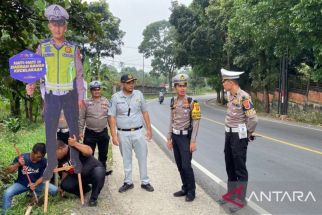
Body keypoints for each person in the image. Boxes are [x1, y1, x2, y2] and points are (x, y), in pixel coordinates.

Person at [26, 4, 85, 181]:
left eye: (61, 24)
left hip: (70, 94)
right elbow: (35, 70)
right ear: (49, 26)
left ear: (65, 27)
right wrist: (31, 85)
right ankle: (51, 163)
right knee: (50, 132)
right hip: (51, 96)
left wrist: (81, 97)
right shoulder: (42, 47)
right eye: (54, 24)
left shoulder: (73, 48)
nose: (58, 28)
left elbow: (79, 74)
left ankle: (75, 159)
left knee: (73, 130)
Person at [217, 69, 258, 213]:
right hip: (228, 134)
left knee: (239, 167)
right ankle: (231, 194)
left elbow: (253, 119)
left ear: (231, 82)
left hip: (238, 136)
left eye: (224, 81)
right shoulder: (230, 95)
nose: (222, 84)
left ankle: (240, 199)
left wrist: (248, 134)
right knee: (230, 165)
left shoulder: (244, 97)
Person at [108, 74, 154, 193]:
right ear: (122, 84)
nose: (131, 84)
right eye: (128, 82)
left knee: (142, 157)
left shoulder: (139, 94)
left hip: (138, 131)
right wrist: (113, 135)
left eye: (132, 82)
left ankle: (145, 181)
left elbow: (145, 112)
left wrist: (149, 128)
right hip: (123, 134)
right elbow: (112, 117)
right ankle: (128, 182)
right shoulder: (115, 97)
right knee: (126, 159)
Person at [167, 74, 201, 202]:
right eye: (179, 86)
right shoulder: (173, 101)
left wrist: (193, 141)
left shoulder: (193, 101)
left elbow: (196, 122)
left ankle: (192, 191)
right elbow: (171, 120)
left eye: (184, 85)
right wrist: (169, 137)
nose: (182, 88)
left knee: (187, 166)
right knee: (180, 165)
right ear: (175, 87)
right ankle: (185, 188)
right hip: (175, 137)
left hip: (186, 138)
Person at [2, 143, 58, 214]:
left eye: (42, 157)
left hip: (37, 184)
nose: (40, 159)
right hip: (22, 184)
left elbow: (43, 176)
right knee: (7, 193)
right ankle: (5, 213)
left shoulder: (44, 161)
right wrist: (18, 164)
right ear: (32, 152)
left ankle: (35, 196)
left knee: (55, 190)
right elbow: (8, 171)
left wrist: (35, 184)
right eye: (38, 157)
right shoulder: (22, 158)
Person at [56, 137, 105, 207]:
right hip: (78, 176)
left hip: (92, 171)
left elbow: (89, 151)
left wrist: (75, 143)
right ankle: (85, 189)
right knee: (65, 185)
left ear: (60, 149)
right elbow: (65, 171)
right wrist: (62, 186)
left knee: (99, 172)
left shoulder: (73, 147)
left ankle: (93, 198)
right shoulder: (60, 158)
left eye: (55, 153)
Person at [79, 80, 112, 176]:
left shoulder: (106, 101)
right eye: (94, 89)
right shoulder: (85, 102)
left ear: (100, 90)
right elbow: (81, 118)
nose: (96, 91)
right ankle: (89, 172)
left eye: (98, 89)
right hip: (90, 133)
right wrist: (80, 131)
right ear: (91, 91)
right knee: (88, 154)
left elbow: (110, 117)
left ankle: (102, 171)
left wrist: (113, 131)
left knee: (103, 154)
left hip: (103, 132)